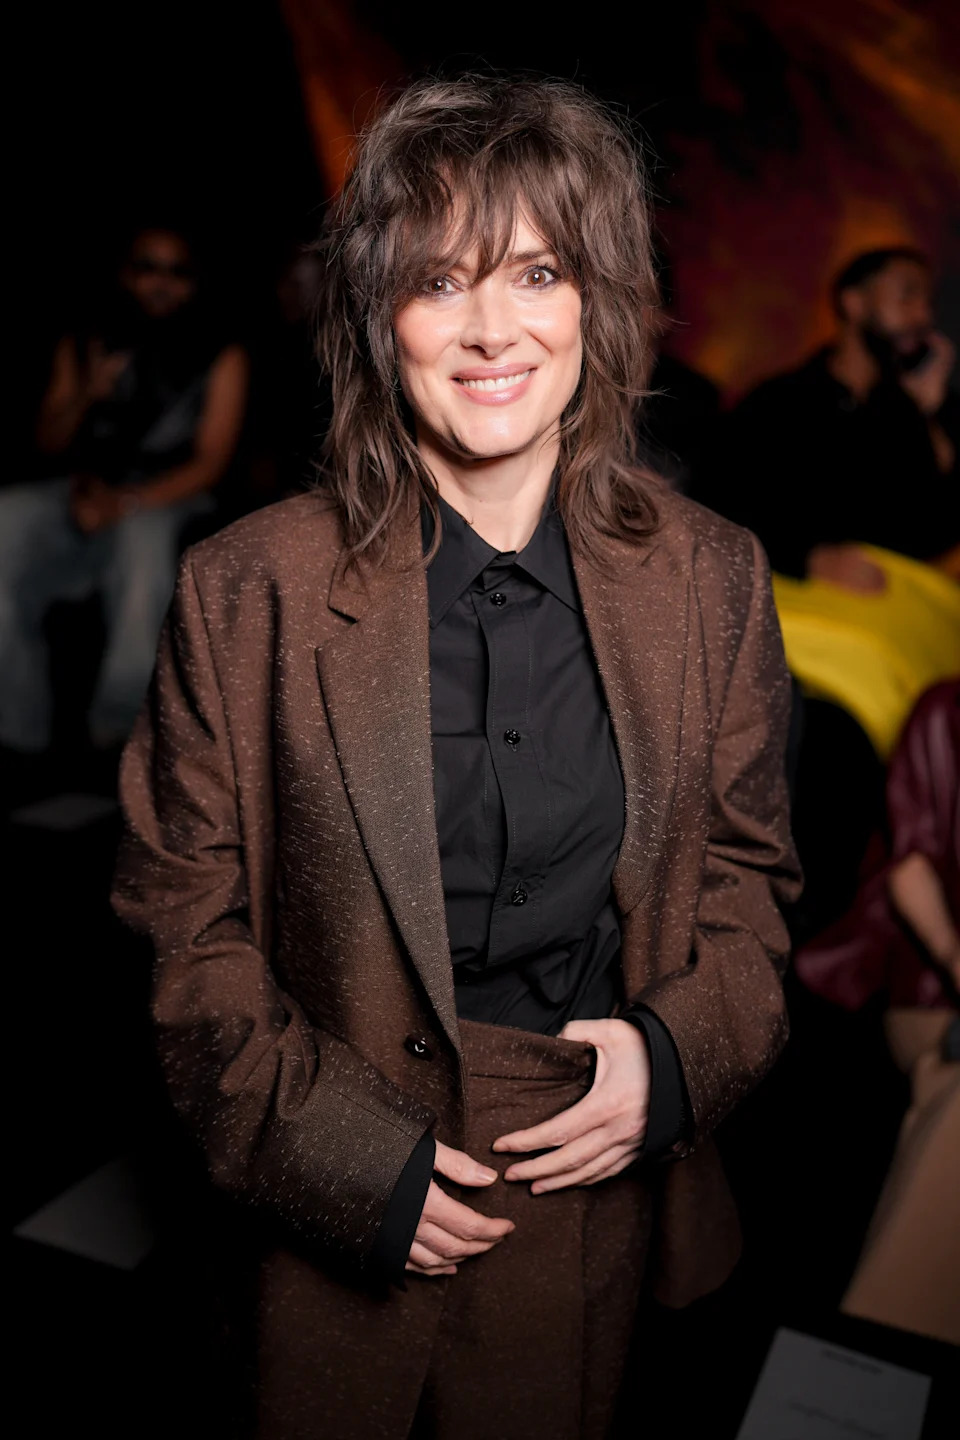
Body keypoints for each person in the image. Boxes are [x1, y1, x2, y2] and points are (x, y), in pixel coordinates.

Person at [111, 78, 800, 1440]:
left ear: (597, 302)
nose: (492, 328)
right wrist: (337, 1163)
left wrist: (672, 1064)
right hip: (327, 1211)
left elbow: (750, 881)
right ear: (381, 320)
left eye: (537, 270)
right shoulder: (245, 589)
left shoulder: (714, 577)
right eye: (440, 279)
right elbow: (183, 933)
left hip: (600, 1198)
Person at [0, 226, 249, 757]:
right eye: (147, 267)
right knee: (10, 515)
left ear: (194, 280)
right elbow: (48, 440)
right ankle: (15, 730)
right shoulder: (88, 339)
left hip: (168, 500)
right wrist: (87, 393)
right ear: (126, 272)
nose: (160, 283)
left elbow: (210, 464)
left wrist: (124, 503)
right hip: (83, 491)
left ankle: (119, 730)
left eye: (176, 271)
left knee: (142, 538)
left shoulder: (221, 352)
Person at [696, 246, 960, 590]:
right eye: (907, 296)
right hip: (803, 608)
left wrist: (933, 407)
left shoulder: (914, 410)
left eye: (928, 302)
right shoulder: (781, 400)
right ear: (854, 303)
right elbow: (718, 501)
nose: (923, 315)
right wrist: (810, 558)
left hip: (900, 610)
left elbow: (938, 525)